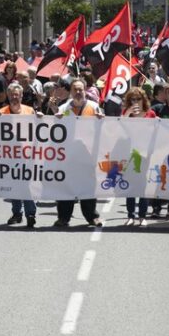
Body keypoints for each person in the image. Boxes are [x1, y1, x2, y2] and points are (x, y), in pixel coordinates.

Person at [54, 79, 104, 228]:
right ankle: (63, 218)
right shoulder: (63, 108)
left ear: (85, 90)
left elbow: (103, 130)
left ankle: (92, 217)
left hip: (88, 155)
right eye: (75, 89)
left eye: (80, 89)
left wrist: (101, 121)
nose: (78, 92)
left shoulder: (94, 107)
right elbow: (56, 132)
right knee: (65, 187)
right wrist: (55, 118)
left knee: (88, 187)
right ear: (70, 92)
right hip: (68, 156)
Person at [0, 83, 40, 228]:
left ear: (21, 96)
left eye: (17, 95)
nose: (14, 97)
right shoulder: (1, 113)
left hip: (26, 155)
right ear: (8, 96)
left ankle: (30, 213)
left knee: (25, 185)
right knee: (13, 185)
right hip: (8, 156)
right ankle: (17, 213)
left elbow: (37, 132)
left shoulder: (29, 111)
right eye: (12, 95)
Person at [121, 87, 156, 227]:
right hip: (129, 154)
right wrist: (127, 114)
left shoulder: (150, 114)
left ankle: (142, 215)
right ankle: (130, 215)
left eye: (138, 99)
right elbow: (118, 128)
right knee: (130, 186)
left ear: (143, 100)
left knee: (143, 186)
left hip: (145, 154)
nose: (135, 102)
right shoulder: (126, 114)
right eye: (132, 99)